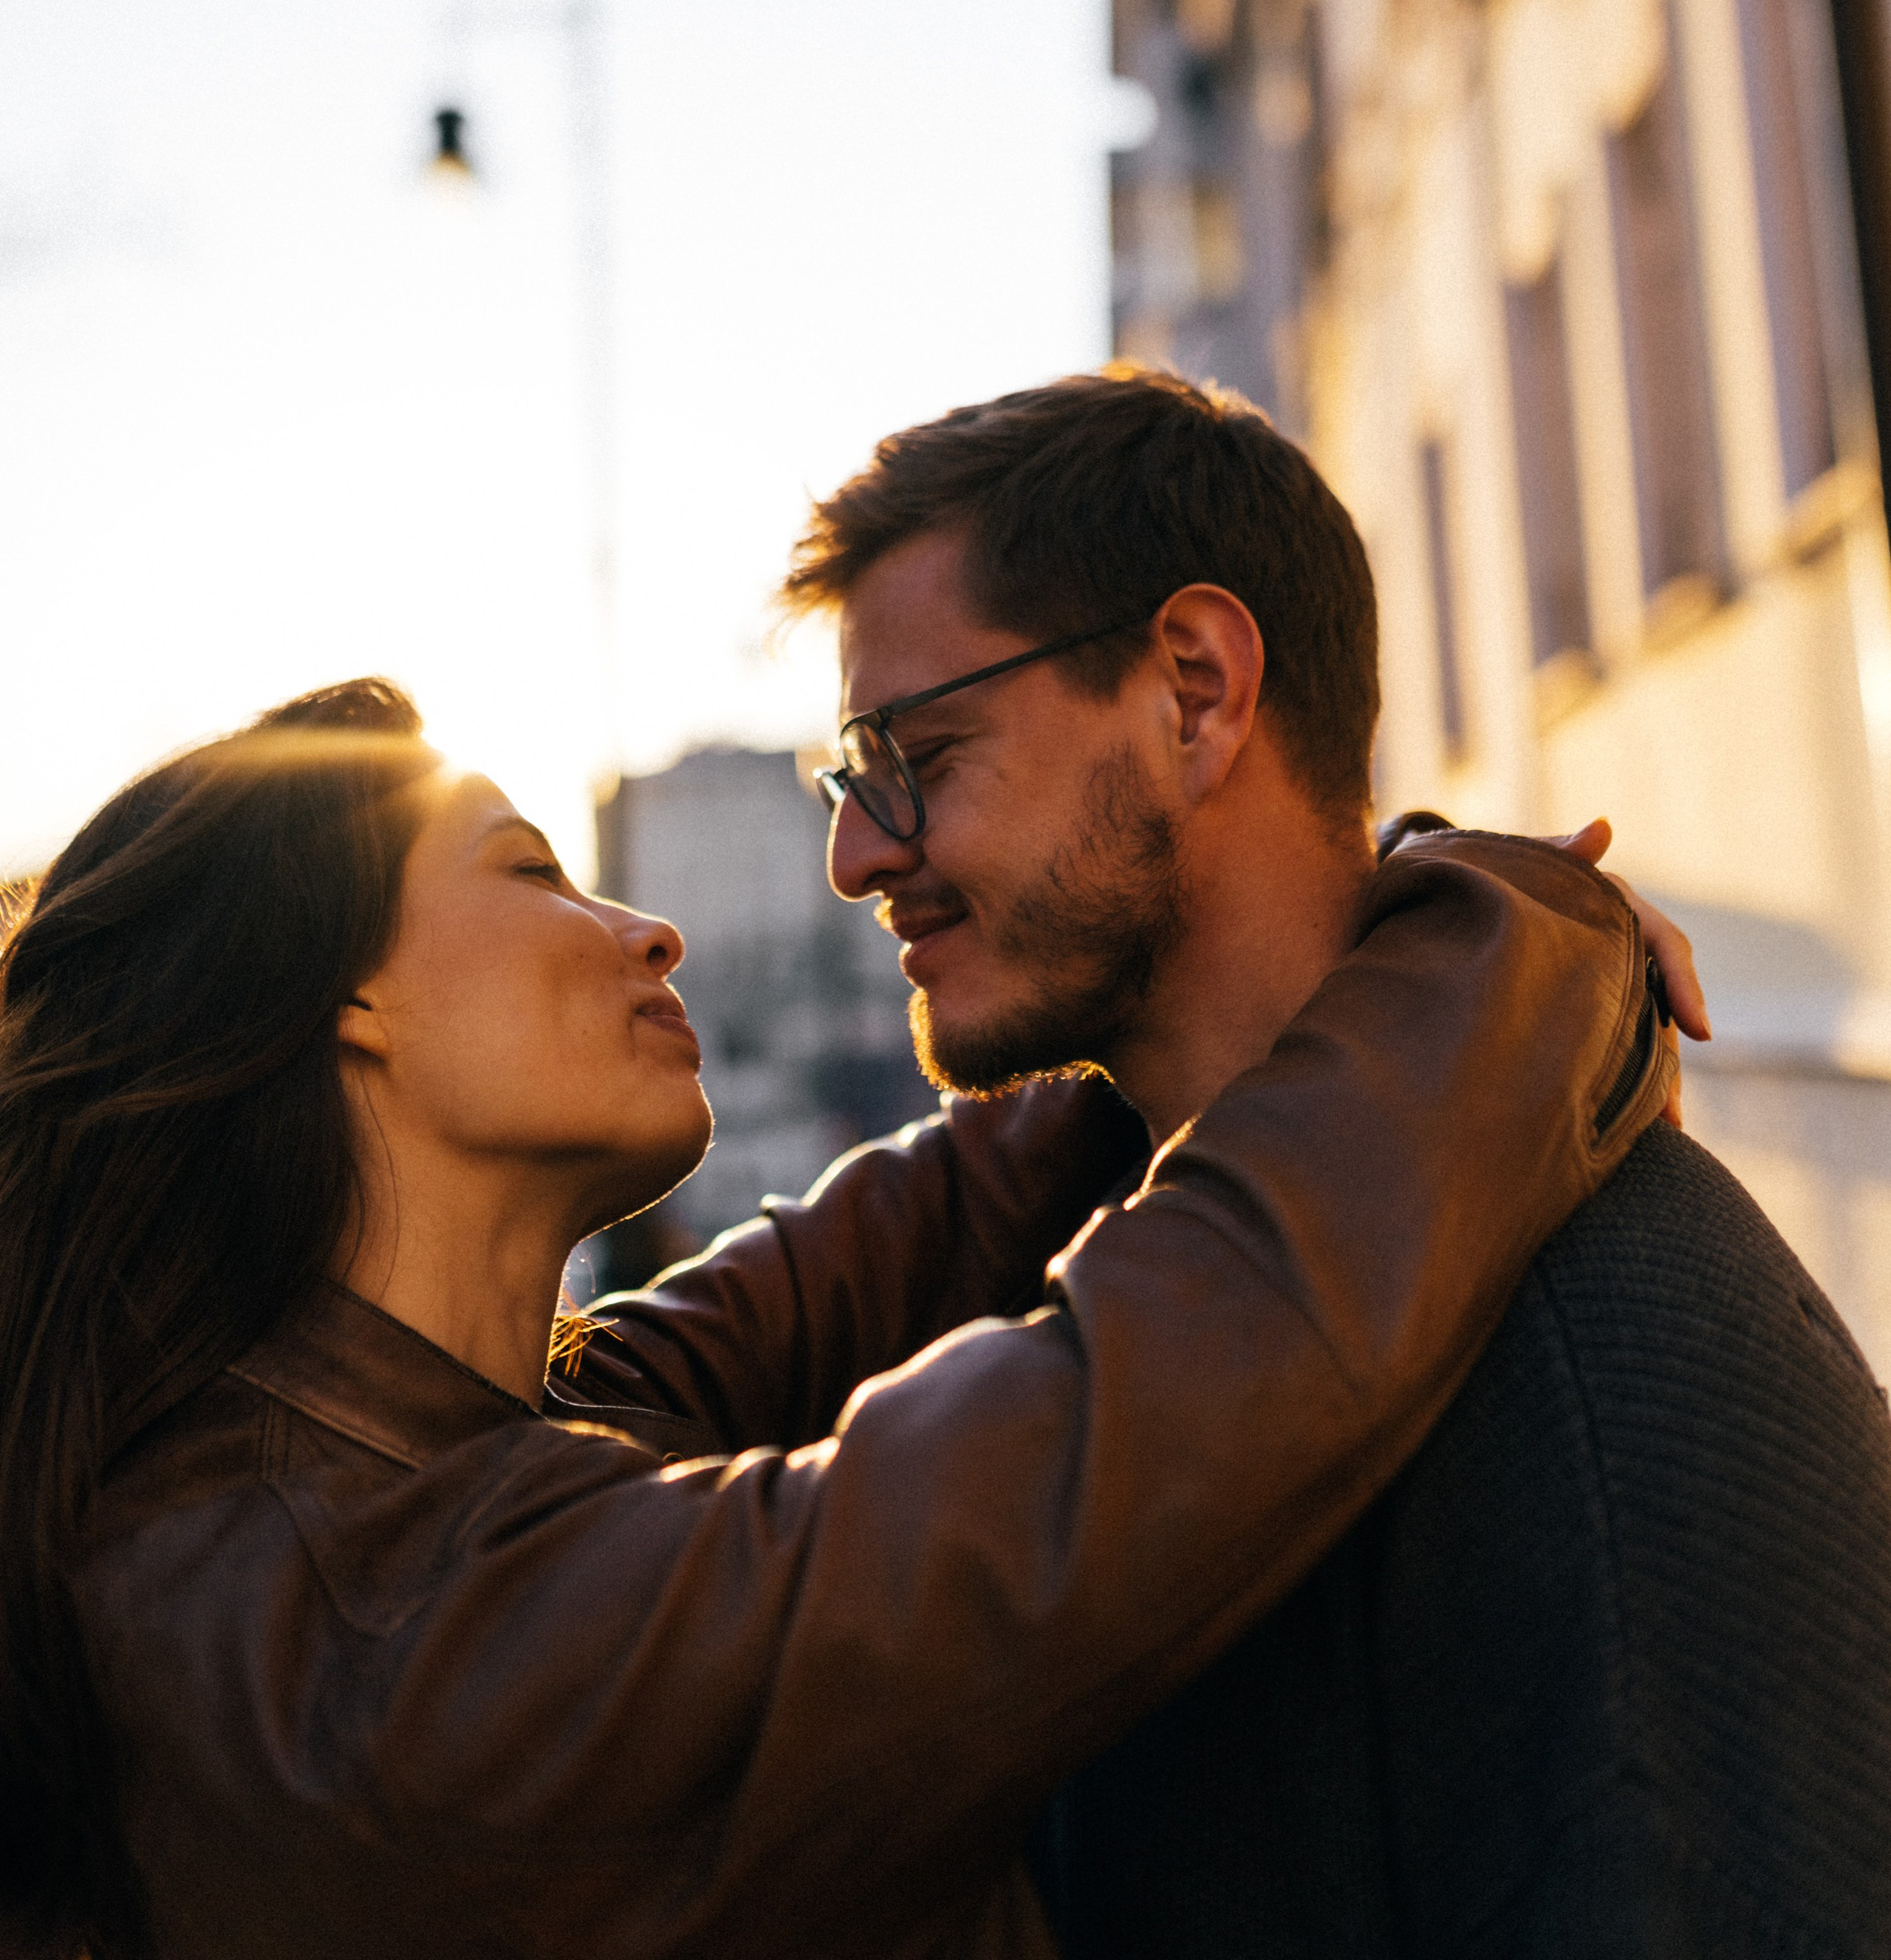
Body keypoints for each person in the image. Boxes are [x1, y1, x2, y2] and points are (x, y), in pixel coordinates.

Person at [0, 675, 1669, 1959]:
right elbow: (1153, 1401)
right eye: (533, 874)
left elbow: (928, 1222)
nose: (646, 930)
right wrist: (1523, 946)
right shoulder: (373, 1650)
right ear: (340, 1000)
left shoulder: (444, 1441)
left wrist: (1329, 923)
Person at [649, 363, 1882, 1959]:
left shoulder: (1613, 1380)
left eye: (918, 754)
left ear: (1194, 692)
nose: (853, 854)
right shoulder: (1112, 1272)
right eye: (848, 778)